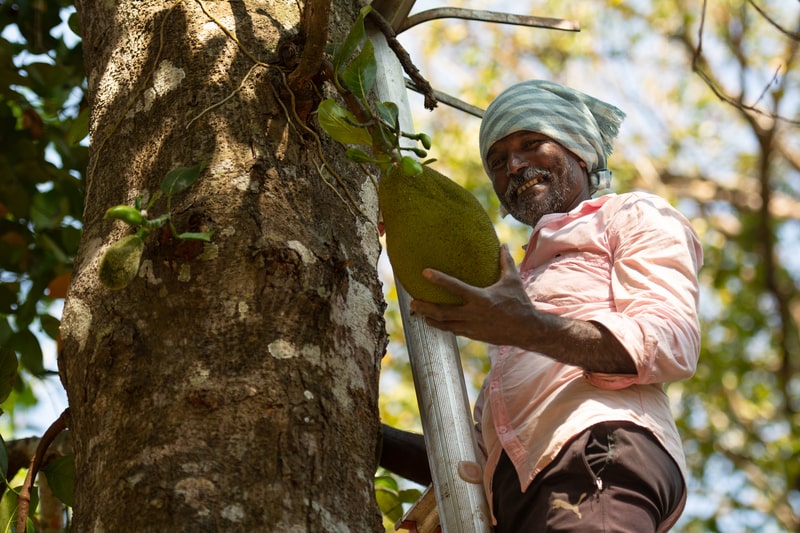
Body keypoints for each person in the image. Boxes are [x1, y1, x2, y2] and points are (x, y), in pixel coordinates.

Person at [379, 79, 703, 532]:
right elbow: (475, 458)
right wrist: (370, 438)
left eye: (532, 143)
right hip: (521, 495)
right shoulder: (521, 282)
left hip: (596, 452)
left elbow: (671, 341)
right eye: (497, 160)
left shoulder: (632, 214)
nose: (514, 165)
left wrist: (527, 327)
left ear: (579, 150)